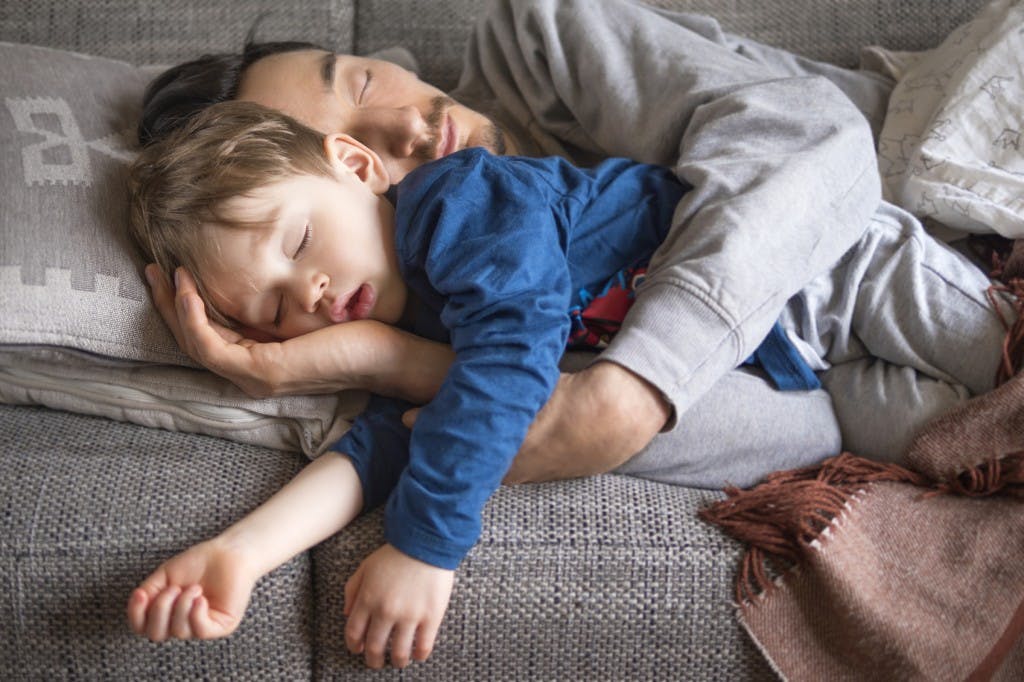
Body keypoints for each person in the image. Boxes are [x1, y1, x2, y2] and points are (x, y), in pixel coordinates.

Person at [125, 100, 1012, 668]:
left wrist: (427, 544)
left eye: (297, 246)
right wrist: (240, 555)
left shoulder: (457, 204)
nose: (309, 296)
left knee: (1001, 357)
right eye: (276, 310)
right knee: (958, 445)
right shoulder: (400, 332)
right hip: (791, 376)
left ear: (356, 168)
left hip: (825, 273)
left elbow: (512, 351)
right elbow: (377, 447)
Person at [136, 0, 902, 490]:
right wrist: (387, 360)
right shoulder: (423, 302)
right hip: (845, 363)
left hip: (926, 202)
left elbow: (811, 133)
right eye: (351, 149)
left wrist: (628, 391)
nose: (408, 131)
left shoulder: (539, 39)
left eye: (364, 85)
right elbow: (804, 429)